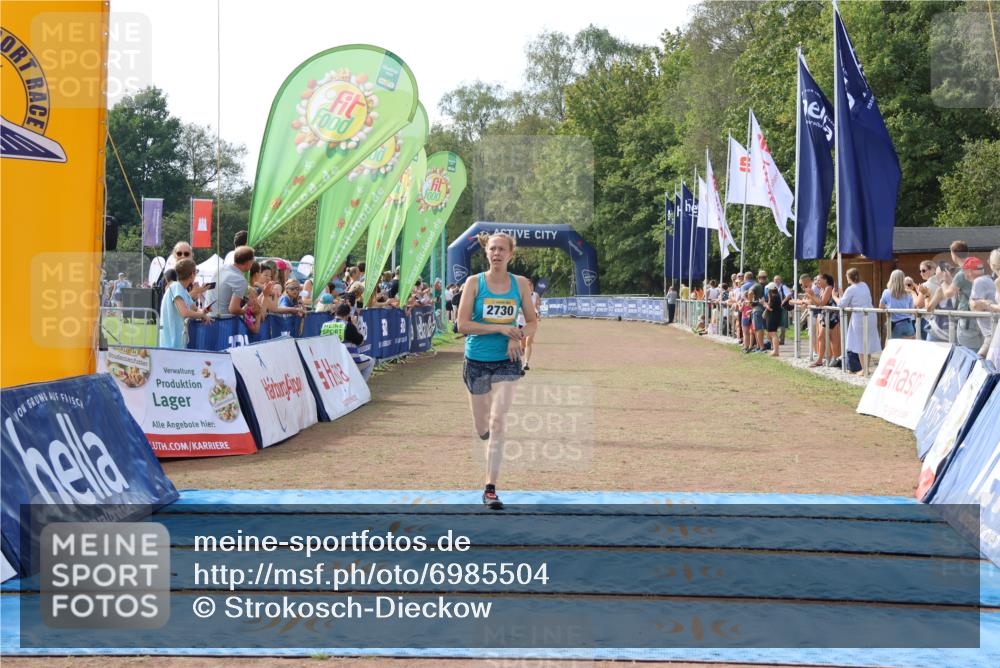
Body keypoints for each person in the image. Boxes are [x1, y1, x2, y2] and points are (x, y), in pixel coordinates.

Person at [456, 231, 537, 510]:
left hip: (507, 361)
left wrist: (517, 335)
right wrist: (501, 328)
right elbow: (462, 325)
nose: (497, 253)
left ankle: (490, 488)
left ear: (511, 254)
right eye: (493, 249)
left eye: (502, 249)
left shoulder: (521, 285)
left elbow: (533, 323)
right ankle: (487, 439)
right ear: (486, 252)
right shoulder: (474, 283)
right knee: (482, 428)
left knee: (498, 421)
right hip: (476, 361)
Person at [159, 259, 212, 349]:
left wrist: (204, 312)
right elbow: (184, 312)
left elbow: (195, 309)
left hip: (178, 342)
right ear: (192, 275)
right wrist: (202, 314)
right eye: (196, 272)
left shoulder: (182, 290)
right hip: (170, 344)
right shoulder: (176, 287)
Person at [838, 267, 881, 375]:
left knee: (860, 342)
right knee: (868, 341)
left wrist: (836, 296)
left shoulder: (851, 289)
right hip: (870, 314)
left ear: (849, 277)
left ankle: (865, 369)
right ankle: (865, 368)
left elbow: (841, 304)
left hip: (859, 317)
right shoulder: (864, 285)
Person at [216, 246, 255, 317]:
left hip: (208, 319)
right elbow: (233, 309)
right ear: (249, 262)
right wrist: (249, 312)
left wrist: (246, 301)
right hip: (223, 322)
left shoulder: (221, 269)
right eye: (253, 261)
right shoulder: (240, 280)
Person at [880, 269, 916, 339]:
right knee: (908, 348)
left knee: (892, 347)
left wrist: (889, 308)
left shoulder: (886, 292)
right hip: (907, 323)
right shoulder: (908, 293)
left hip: (894, 324)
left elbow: (881, 306)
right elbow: (911, 311)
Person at [518, 279, 541, 371]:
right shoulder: (519, 295)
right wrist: (525, 313)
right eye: (528, 286)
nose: (530, 287)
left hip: (531, 322)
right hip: (520, 322)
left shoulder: (536, 295)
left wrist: (538, 314)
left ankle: (526, 363)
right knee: (522, 344)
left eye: (531, 286)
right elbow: (517, 309)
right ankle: (521, 351)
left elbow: (536, 307)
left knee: (529, 342)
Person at [763, 282, 782, 357]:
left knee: (773, 334)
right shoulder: (775, 296)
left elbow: (770, 308)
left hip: (773, 317)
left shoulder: (775, 297)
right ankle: (775, 349)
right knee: (770, 333)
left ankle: (776, 351)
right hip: (772, 316)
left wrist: (764, 303)